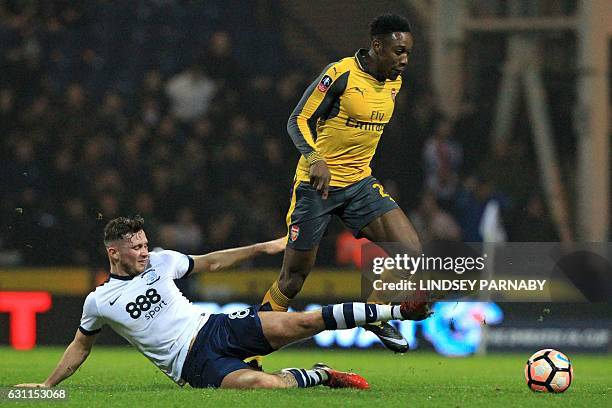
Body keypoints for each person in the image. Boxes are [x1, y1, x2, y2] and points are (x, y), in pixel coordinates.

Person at [16, 215, 429, 390]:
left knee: (305, 322)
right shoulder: (99, 301)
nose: (145, 251)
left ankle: (398, 311)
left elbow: (212, 261)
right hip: (194, 366)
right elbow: (80, 346)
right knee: (265, 386)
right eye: (136, 248)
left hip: (216, 327)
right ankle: (321, 376)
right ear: (114, 254)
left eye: (144, 244)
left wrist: (266, 246)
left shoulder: (163, 261)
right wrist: (48, 386)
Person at [258, 14, 424, 355]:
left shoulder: (394, 82)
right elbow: (297, 119)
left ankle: (375, 314)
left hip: (360, 184)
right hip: (316, 187)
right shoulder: (341, 74)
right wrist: (316, 158)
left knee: (410, 252)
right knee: (293, 279)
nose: (404, 59)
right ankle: (249, 344)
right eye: (398, 51)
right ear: (377, 46)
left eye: (408, 51)